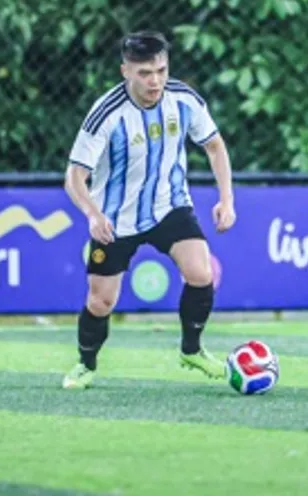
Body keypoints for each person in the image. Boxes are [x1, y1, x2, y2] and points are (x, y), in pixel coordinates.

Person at [61, 30, 236, 389]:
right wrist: (93, 214)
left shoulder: (184, 100)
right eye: (144, 73)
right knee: (101, 301)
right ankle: (86, 363)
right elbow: (74, 176)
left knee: (200, 272)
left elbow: (215, 146)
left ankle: (192, 350)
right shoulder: (106, 113)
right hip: (115, 218)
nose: (155, 81)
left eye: (161, 70)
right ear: (125, 70)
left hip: (169, 205)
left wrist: (227, 199)